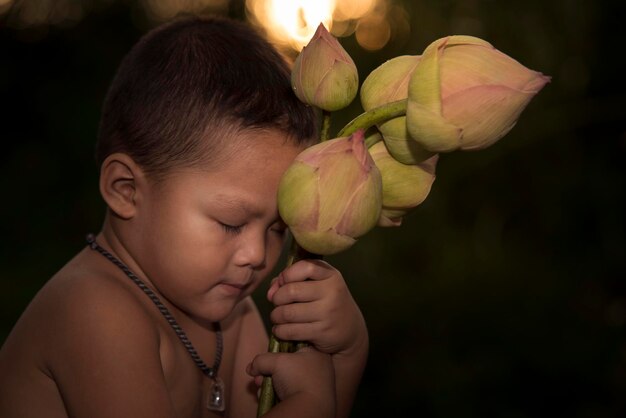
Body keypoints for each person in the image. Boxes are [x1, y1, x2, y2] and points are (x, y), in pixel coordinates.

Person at [0, 17, 368, 418]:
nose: (257, 253)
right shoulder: (94, 311)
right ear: (126, 190)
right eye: (231, 222)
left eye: (278, 229)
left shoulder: (234, 318)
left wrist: (344, 355)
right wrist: (309, 404)